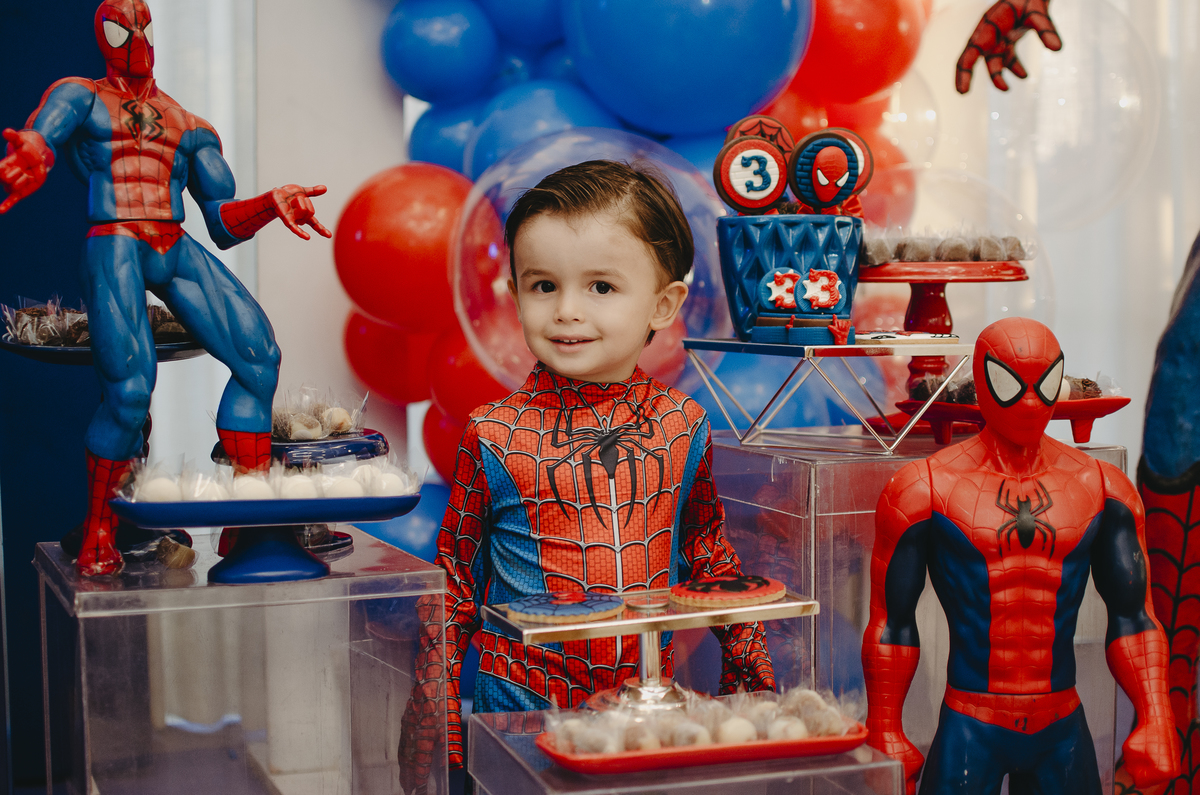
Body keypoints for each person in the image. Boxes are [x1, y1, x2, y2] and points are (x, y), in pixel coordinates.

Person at [399, 160, 775, 787]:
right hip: (521, 702)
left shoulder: (683, 425)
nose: (567, 311)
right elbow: (455, 585)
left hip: (647, 700)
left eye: (601, 287)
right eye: (543, 285)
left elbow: (709, 557)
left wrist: (750, 672)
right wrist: (434, 717)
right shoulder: (493, 432)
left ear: (664, 303)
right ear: (513, 292)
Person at [0, 0, 329, 576]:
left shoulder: (190, 125)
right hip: (116, 239)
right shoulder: (81, 95)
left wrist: (271, 203)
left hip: (171, 241)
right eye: (116, 26)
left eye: (141, 24)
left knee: (258, 358)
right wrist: (32, 151)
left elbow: (224, 223)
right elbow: (43, 134)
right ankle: (101, 525)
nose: (132, 36)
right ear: (101, 34)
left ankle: (248, 518)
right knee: (129, 392)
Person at [862, 317, 1180, 795]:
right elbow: (892, 622)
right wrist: (883, 726)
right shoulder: (924, 488)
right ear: (981, 382)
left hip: (1061, 723)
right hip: (972, 721)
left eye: (1046, 383)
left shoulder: (1102, 487)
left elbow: (1135, 617)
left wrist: (1157, 716)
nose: (1031, 402)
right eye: (1010, 385)